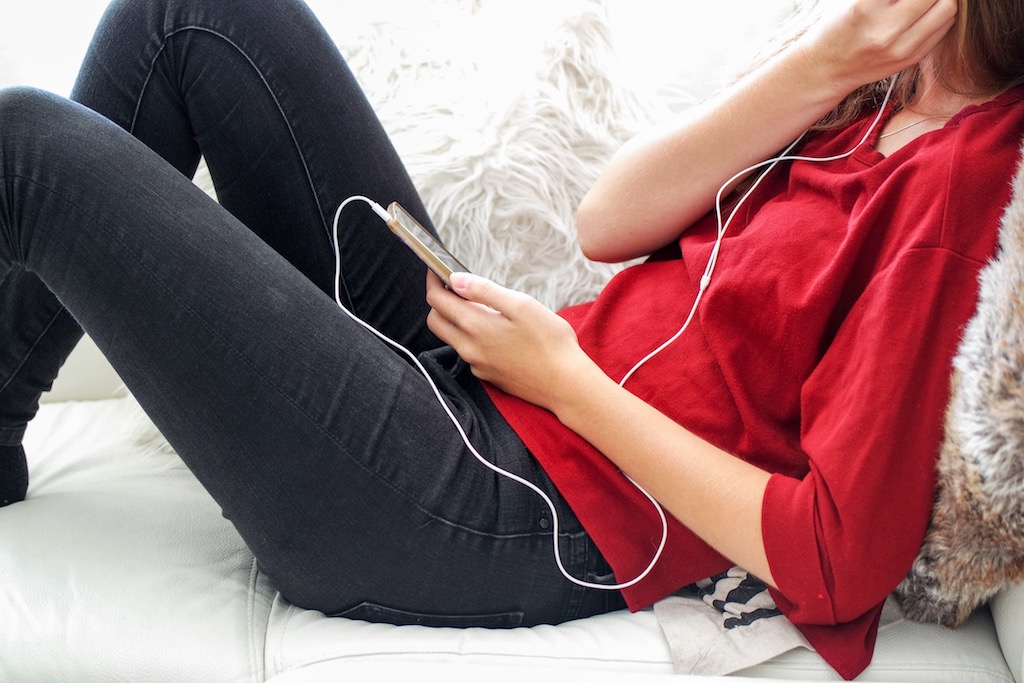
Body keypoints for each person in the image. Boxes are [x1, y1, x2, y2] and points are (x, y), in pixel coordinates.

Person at [1, 0, 1021, 678]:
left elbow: (838, 558)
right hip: (491, 388)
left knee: (28, 144)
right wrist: (823, 62)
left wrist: (567, 382)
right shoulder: (874, 88)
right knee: (192, 16)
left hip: (492, 507)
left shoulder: (961, 183)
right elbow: (605, 224)